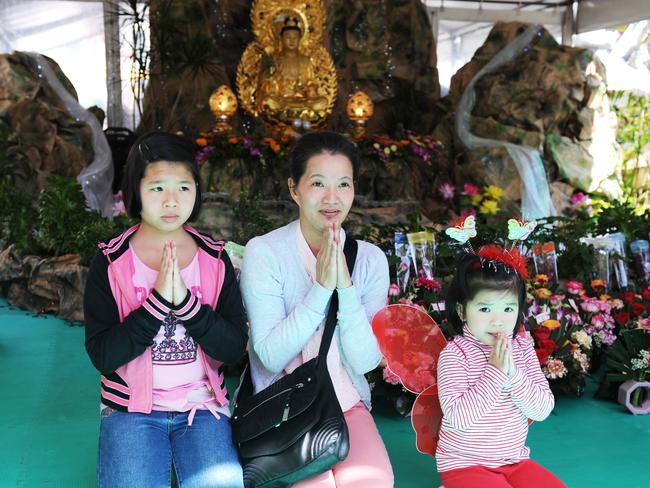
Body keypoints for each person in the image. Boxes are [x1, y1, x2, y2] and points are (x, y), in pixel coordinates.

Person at [83, 131, 247, 488]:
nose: (172, 201)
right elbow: (104, 354)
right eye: (158, 188)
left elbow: (233, 349)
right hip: (131, 410)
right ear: (135, 191)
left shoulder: (215, 259)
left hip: (202, 407)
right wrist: (157, 304)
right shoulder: (111, 261)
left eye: (184, 188)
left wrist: (188, 306)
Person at [239, 131, 394, 487]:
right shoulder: (265, 252)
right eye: (318, 183)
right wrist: (321, 289)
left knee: (373, 482)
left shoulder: (369, 260)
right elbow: (271, 356)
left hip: (346, 402)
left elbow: (366, 361)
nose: (332, 198)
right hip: (281, 405)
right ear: (294, 189)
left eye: (343, 184)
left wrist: (346, 290)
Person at [437, 245, 565, 488]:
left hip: (514, 460)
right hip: (464, 462)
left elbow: (541, 410)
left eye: (508, 308)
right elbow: (460, 420)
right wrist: (495, 372)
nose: (498, 320)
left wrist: (513, 374)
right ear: (463, 311)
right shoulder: (455, 355)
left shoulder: (523, 348)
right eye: (485, 309)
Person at [257, 16, 327, 116]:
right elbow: (264, 87)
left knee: (322, 102)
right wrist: (273, 81)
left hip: (302, 101)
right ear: (281, 38)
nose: (292, 40)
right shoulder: (272, 60)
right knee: (268, 101)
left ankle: (294, 112)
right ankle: (293, 112)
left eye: (295, 37)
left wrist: (307, 89)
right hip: (280, 100)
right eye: (288, 37)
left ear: (300, 39)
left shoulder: (306, 61)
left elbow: (312, 84)